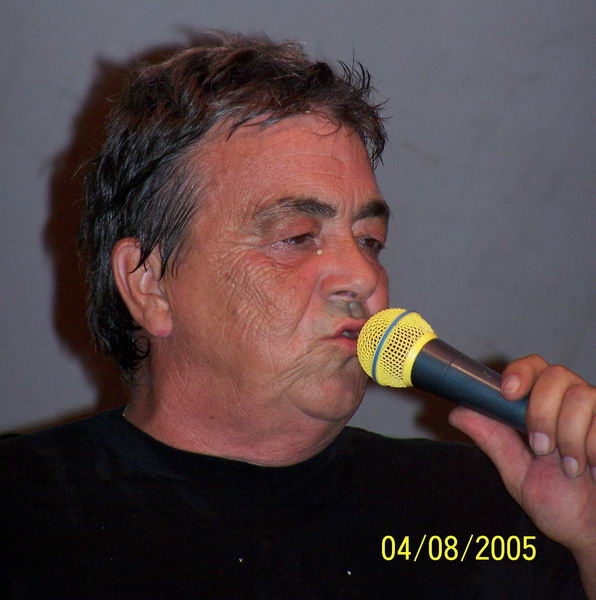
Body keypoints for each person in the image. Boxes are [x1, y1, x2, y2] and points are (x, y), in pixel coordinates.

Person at [1, 33, 594, 599]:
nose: (364, 276)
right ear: (148, 283)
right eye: (296, 236)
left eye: (370, 240)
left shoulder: (486, 508)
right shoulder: (25, 511)